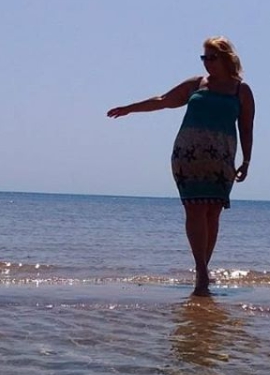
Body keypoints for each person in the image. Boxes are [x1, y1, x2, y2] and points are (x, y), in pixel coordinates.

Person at [107, 36, 255, 296]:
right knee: (195, 209)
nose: (207, 62)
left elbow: (246, 128)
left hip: (221, 158)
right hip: (188, 155)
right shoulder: (197, 84)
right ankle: (201, 272)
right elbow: (163, 100)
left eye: (212, 57)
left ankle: (202, 269)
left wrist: (246, 160)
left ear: (226, 59)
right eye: (204, 58)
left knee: (213, 213)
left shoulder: (241, 90)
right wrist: (130, 108)